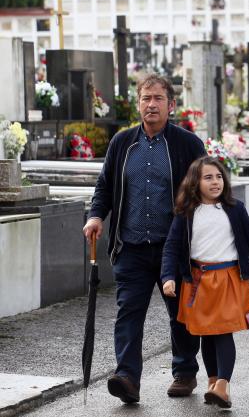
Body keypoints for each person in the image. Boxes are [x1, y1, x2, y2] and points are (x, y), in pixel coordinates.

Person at [82, 74, 207, 404]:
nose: (151, 105)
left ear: (171, 105)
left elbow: (204, 191)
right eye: (145, 99)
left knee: (181, 313)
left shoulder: (188, 144)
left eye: (157, 99)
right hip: (131, 246)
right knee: (129, 312)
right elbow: (105, 186)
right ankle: (127, 377)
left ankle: (184, 371)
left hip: (174, 248)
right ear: (138, 104)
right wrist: (96, 216)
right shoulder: (122, 143)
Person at [161, 156, 249, 409]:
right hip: (197, 281)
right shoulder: (186, 213)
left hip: (228, 279)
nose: (215, 182)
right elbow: (172, 247)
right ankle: (213, 382)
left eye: (218, 177)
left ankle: (223, 386)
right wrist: (168, 277)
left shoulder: (235, 209)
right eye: (208, 177)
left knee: (223, 332)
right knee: (206, 334)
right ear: (195, 182)